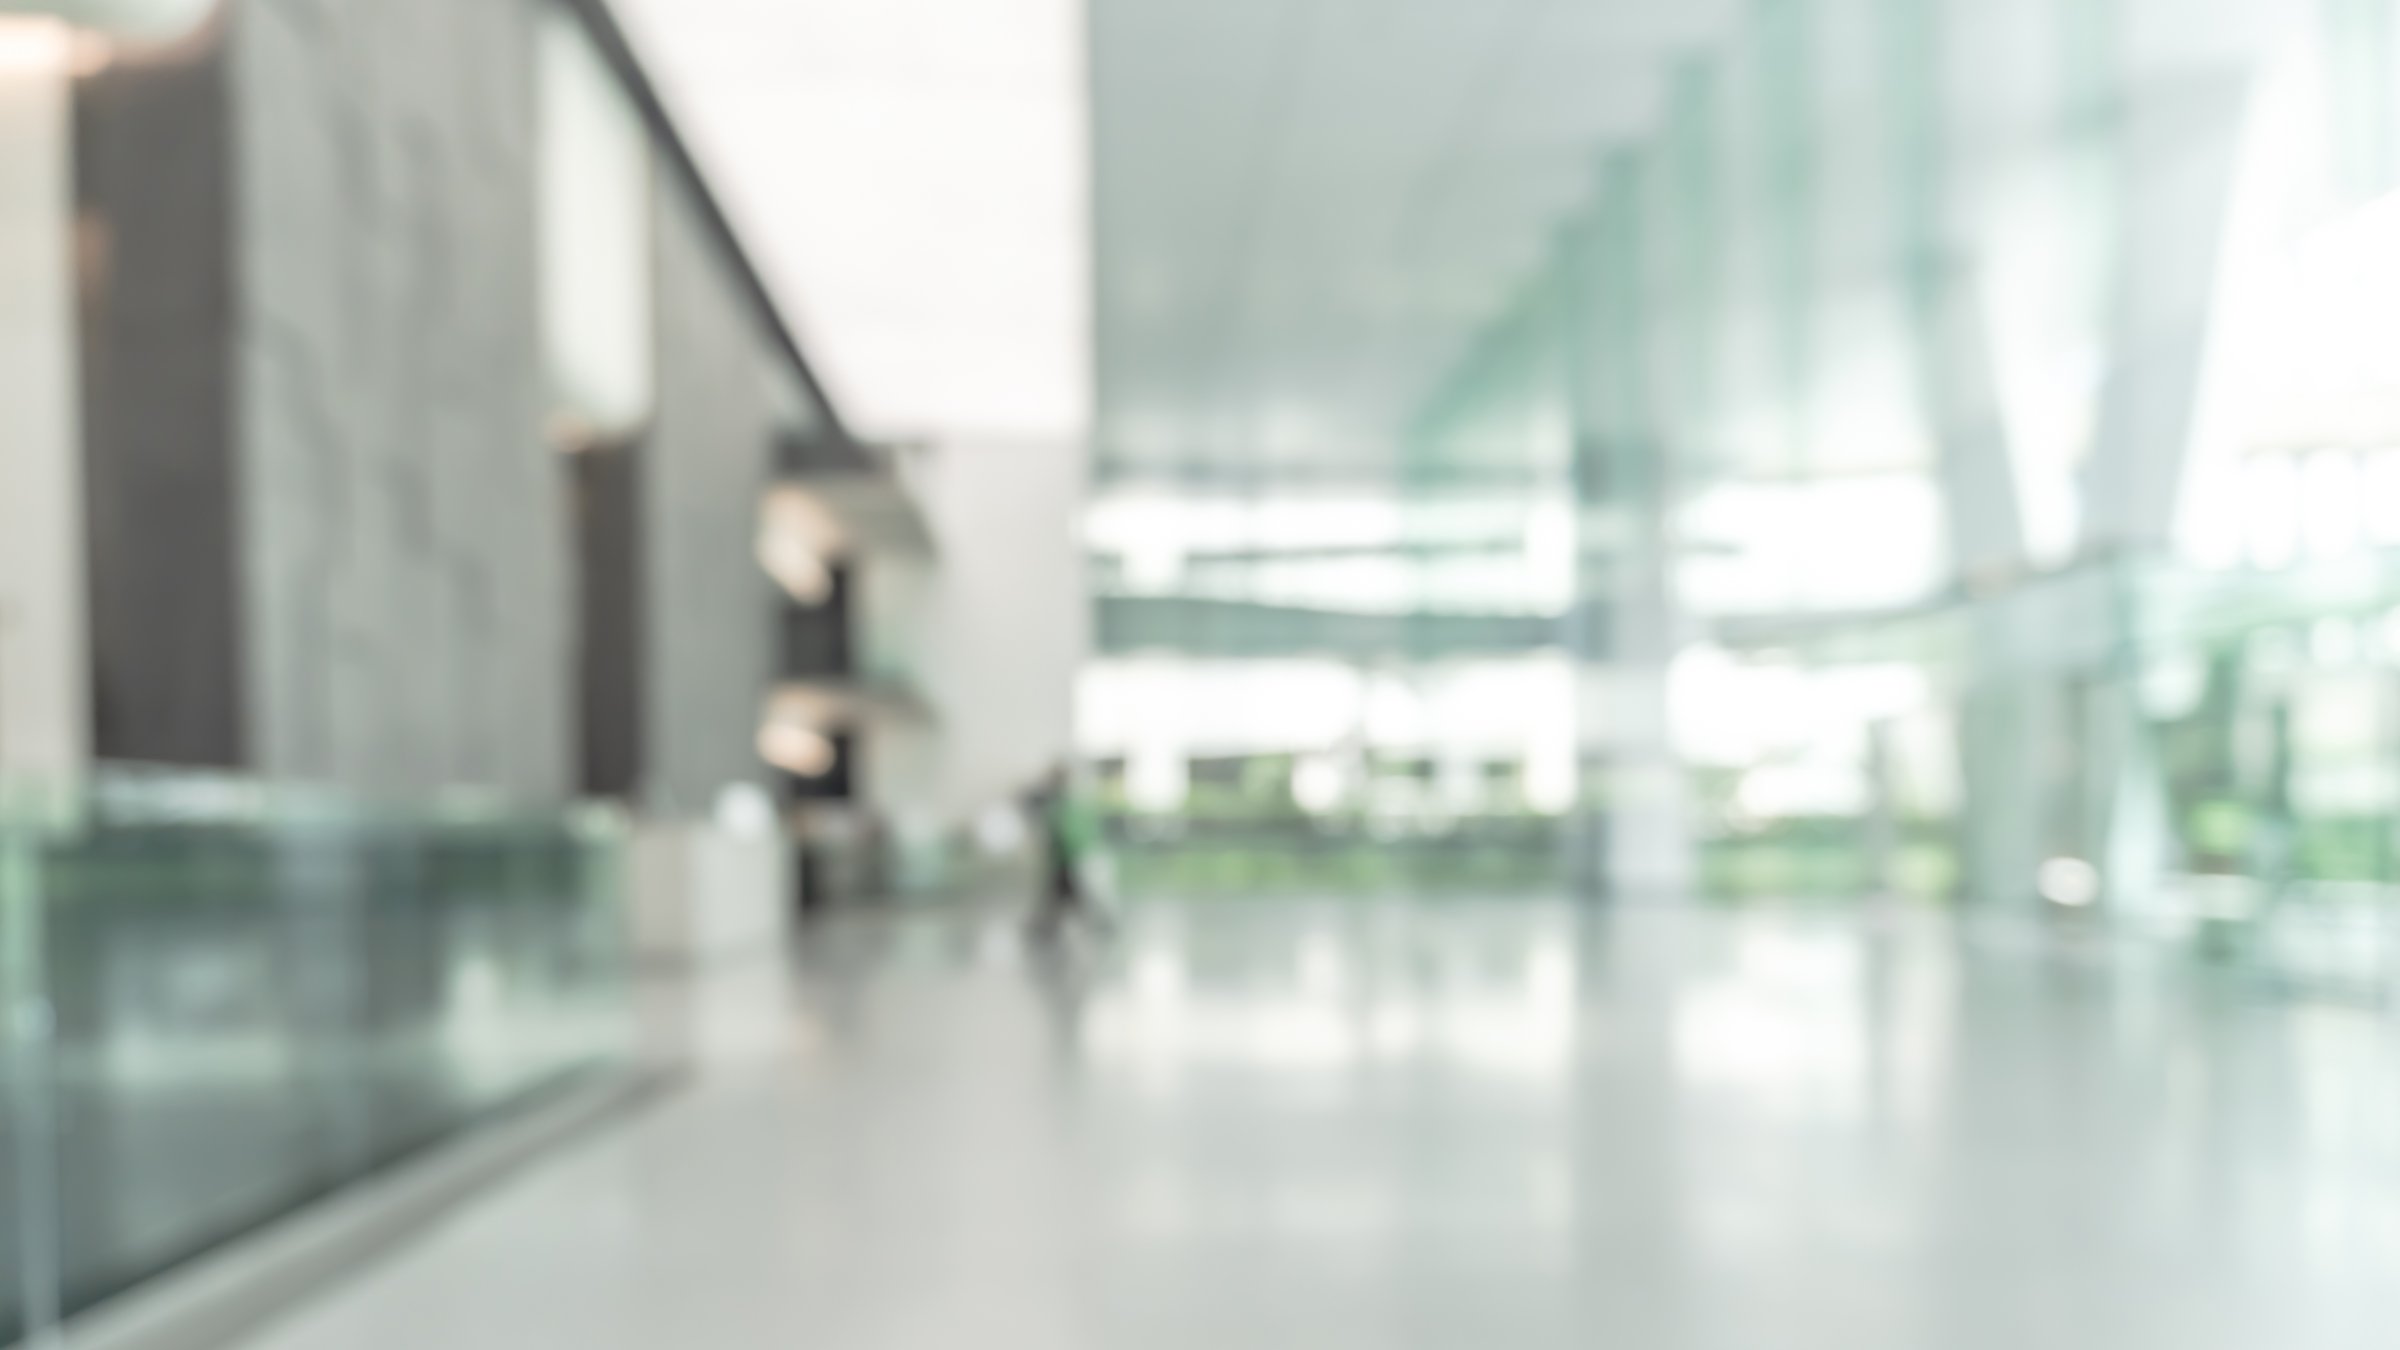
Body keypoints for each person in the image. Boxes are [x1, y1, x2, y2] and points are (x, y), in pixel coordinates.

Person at [1024, 761, 1102, 940]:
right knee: (1062, 893)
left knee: (1065, 893)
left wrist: (1069, 848)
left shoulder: (1064, 800)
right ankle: (1044, 925)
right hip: (1061, 855)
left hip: (1065, 855)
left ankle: (1044, 925)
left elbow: (1067, 829)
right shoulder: (1054, 798)